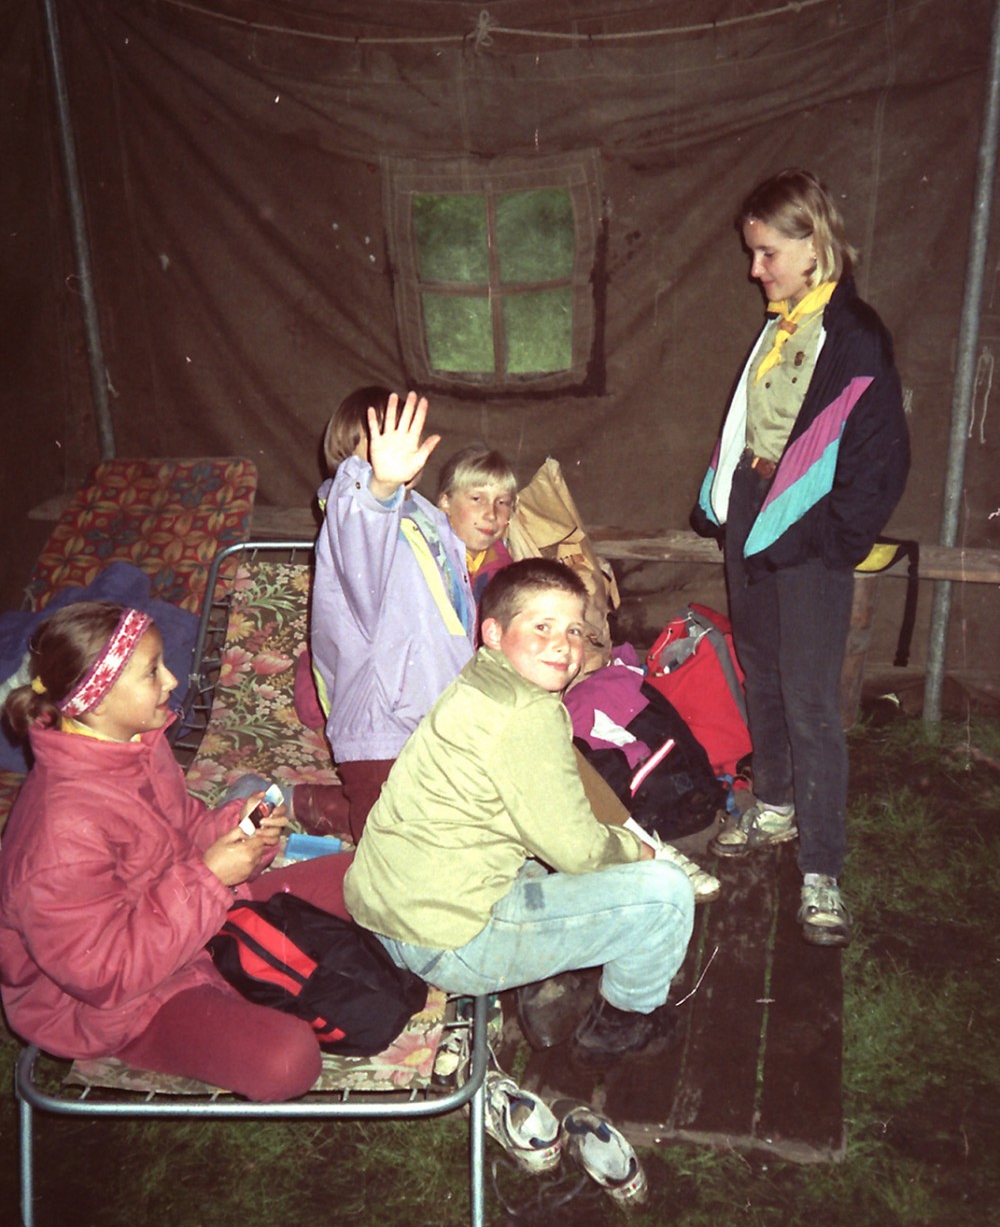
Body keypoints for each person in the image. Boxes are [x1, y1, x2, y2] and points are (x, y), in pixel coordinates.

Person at [344, 558, 696, 1065]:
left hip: (384, 911)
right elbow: (578, 850)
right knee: (666, 894)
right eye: (542, 627)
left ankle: (544, 985)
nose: (564, 645)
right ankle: (620, 1027)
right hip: (447, 942)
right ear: (493, 632)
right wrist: (638, 850)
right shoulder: (528, 714)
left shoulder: (479, 681)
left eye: (574, 630)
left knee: (544, 861)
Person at [0, 602, 352, 1101]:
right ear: (97, 700)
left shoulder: (138, 742)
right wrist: (211, 879)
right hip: (121, 1004)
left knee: (365, 873)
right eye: (152, 671)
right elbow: (106, 975)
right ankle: (230, 998)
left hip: (192, 917)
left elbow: (183, 829)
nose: (172, 679)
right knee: (288, 1059)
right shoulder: (59, 835)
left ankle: (255, 975)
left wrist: (239, 828)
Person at [692, 168, 909, 946]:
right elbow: (752, 426)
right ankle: (776, 806)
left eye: (767, 253)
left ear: (812, 244)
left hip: (808, 529)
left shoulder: (852, 334)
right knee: (762, 666)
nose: (755, 269)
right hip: (755, 509)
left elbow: (881, 460)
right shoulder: (784, 323)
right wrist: (732, 500)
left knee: (812, 697)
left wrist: (830, 541)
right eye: (754, 253)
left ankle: (822, 867)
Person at [311, 387, 477, 843]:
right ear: (348, 449)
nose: (402, 449)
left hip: (436, 717)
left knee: (453, 830)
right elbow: (361, 518)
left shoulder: (423, 514)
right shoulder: (351, 511)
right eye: (383, 439)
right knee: (395, 856)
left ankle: (307, 802)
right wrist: (380, 486)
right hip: (382, 726)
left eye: (409, 437)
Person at [435, 442, 517, 603]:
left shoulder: (507, 575)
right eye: (477, 499)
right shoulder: (426, 559)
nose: (491, 515)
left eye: (502, 502)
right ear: (446, 502)